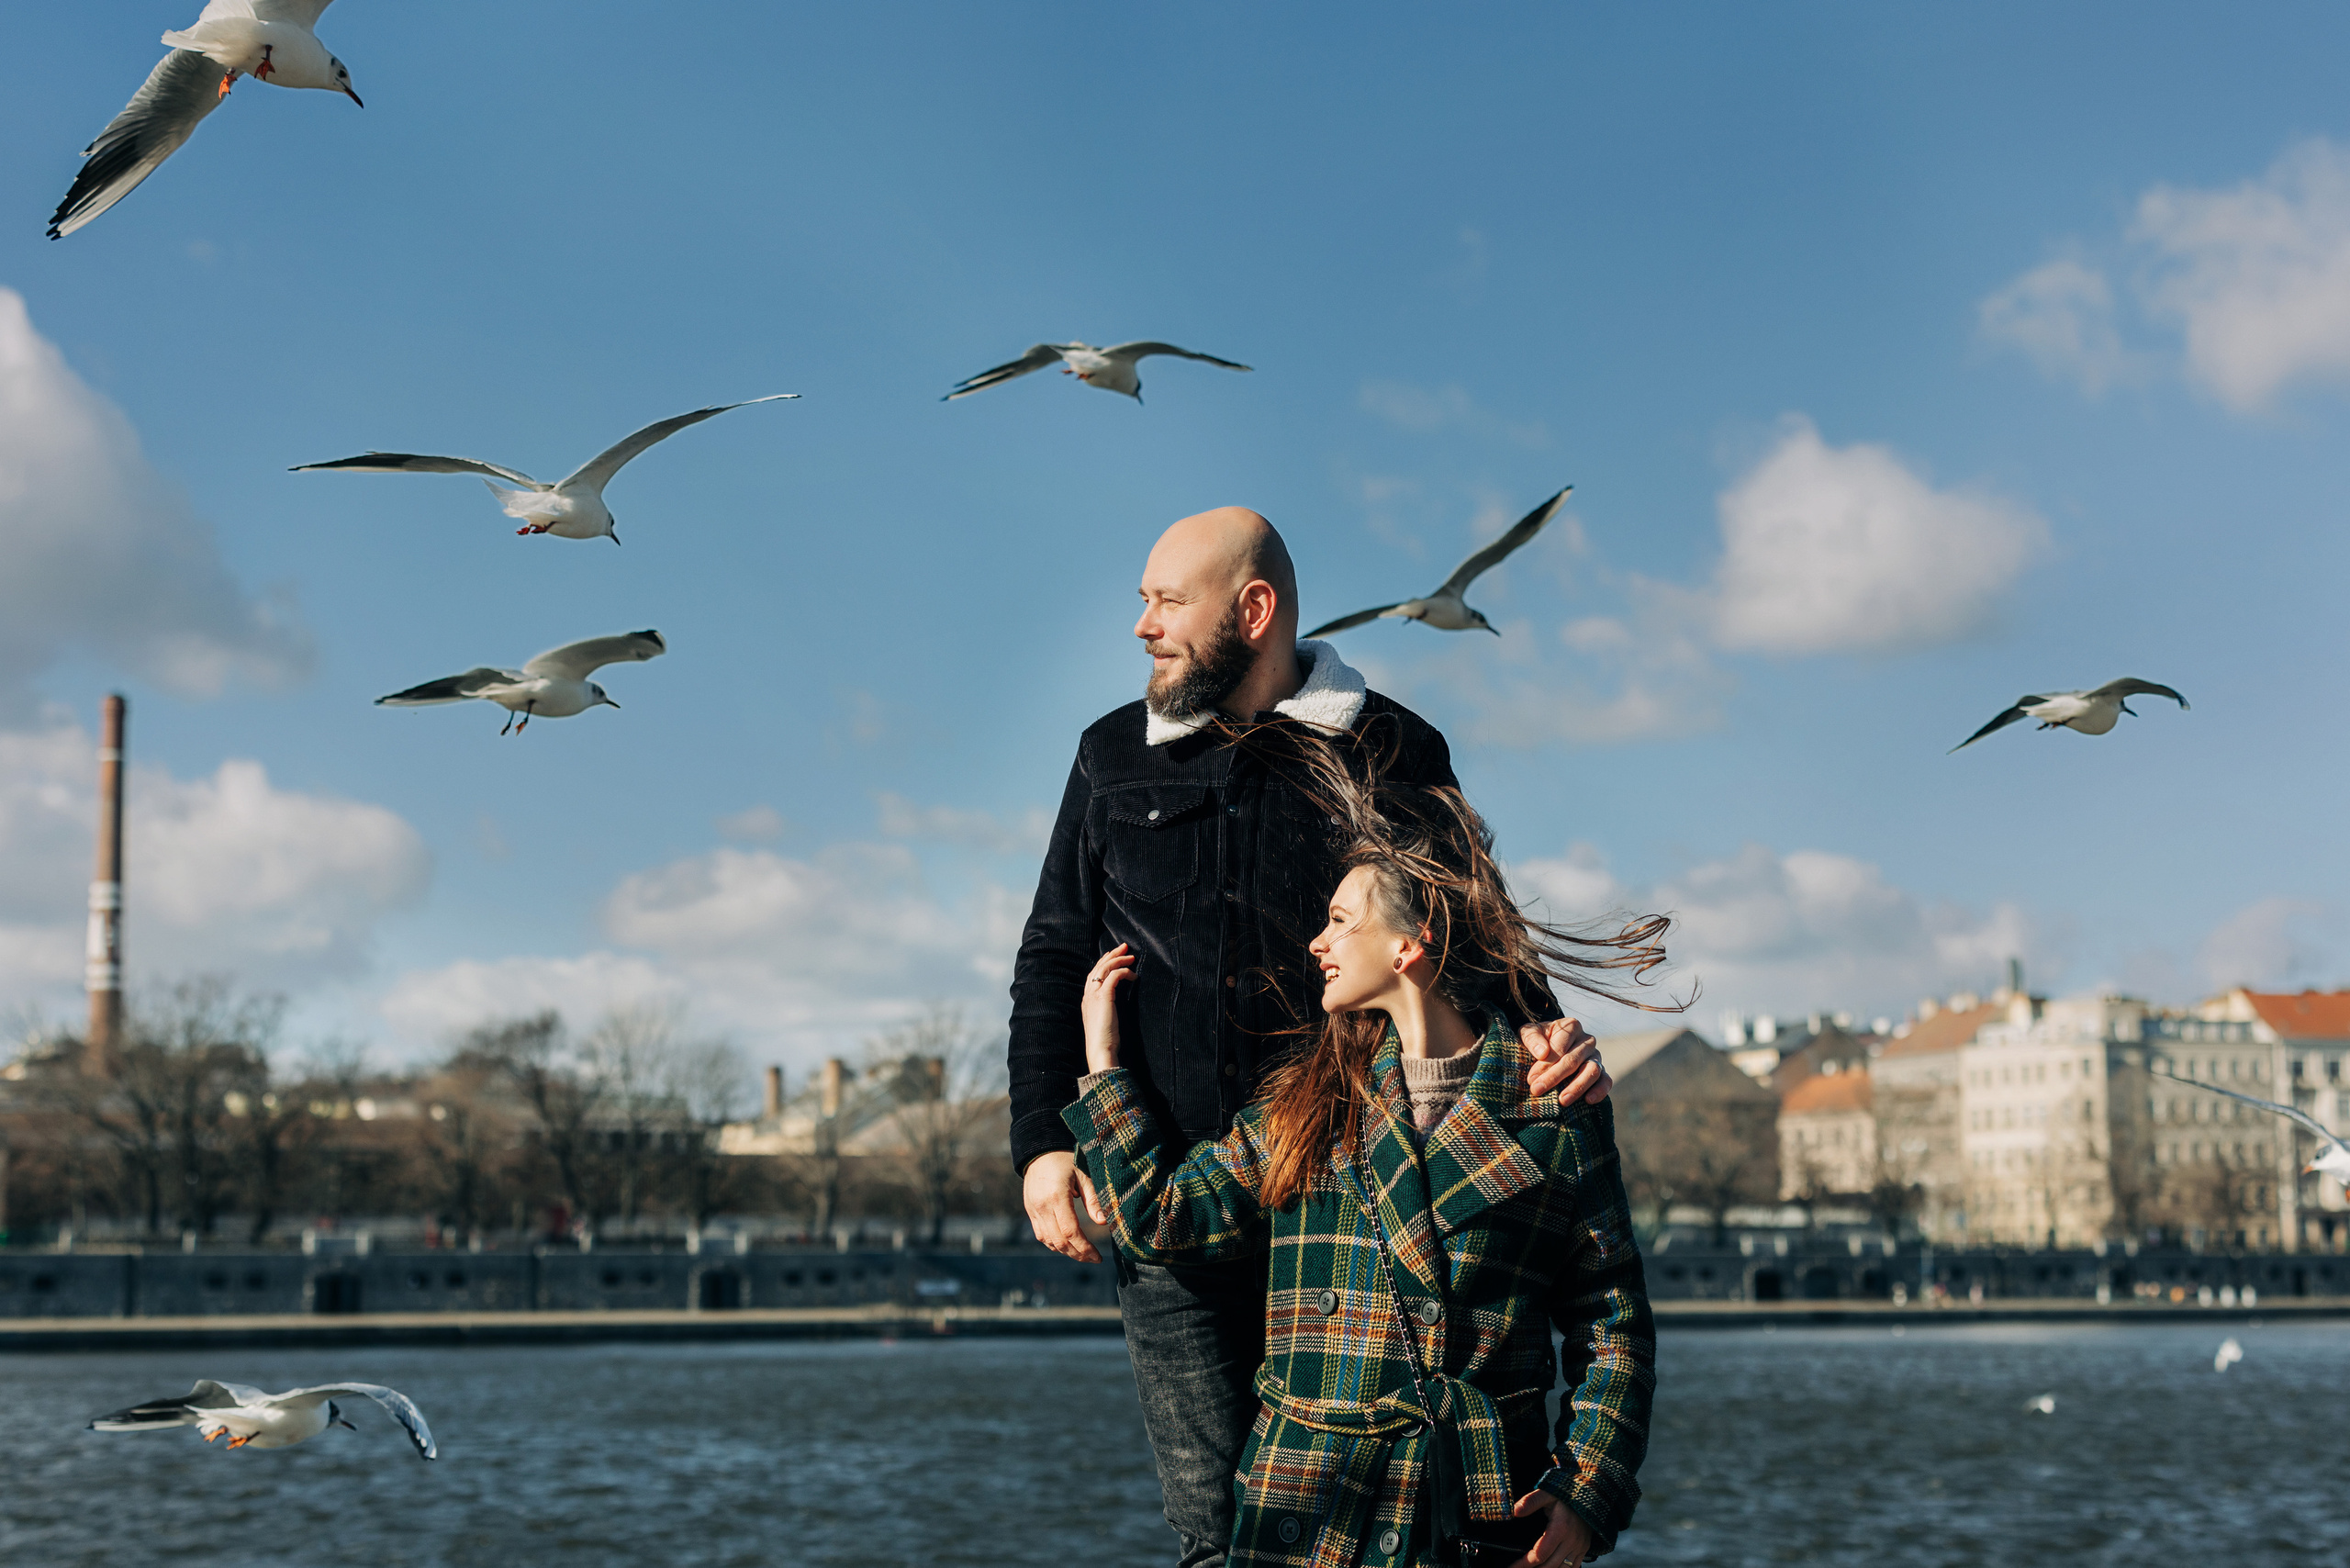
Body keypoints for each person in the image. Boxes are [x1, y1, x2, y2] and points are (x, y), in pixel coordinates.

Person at [1007, 506, 1611, 1567]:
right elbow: (1054, 958)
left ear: (1253, 610)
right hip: (1165, 1196)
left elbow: (1473, 936)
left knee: (1341, 1537)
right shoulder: (1108, 757)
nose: (1140, 625)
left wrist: (1546, 1038)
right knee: (1212, 1537)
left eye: (1164, 601)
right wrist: (1043, 1143)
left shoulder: (1395, 748)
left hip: (1344, 1208)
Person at [1067, 777, 1662, 1568]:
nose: (1317, 942)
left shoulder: (1555, 1105)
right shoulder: (1307, 1106)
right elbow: (1166, 1219)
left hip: (1477, 1513)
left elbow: (1612, 1320)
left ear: (1408, 948)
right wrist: (1105, 1065)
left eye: (1341, 922)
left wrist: (1587, 1489)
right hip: (1310, 1511)